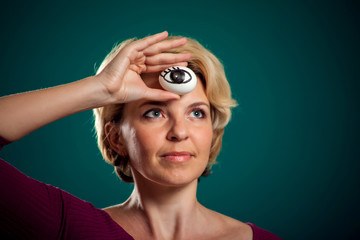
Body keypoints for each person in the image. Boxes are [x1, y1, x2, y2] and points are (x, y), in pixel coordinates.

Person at [0, 31, 281, 239]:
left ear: (212, 132)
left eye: (196, 113)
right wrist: (101, 90)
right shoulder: (69, 226)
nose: (180, 132)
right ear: (116, 138)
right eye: (154, 113)